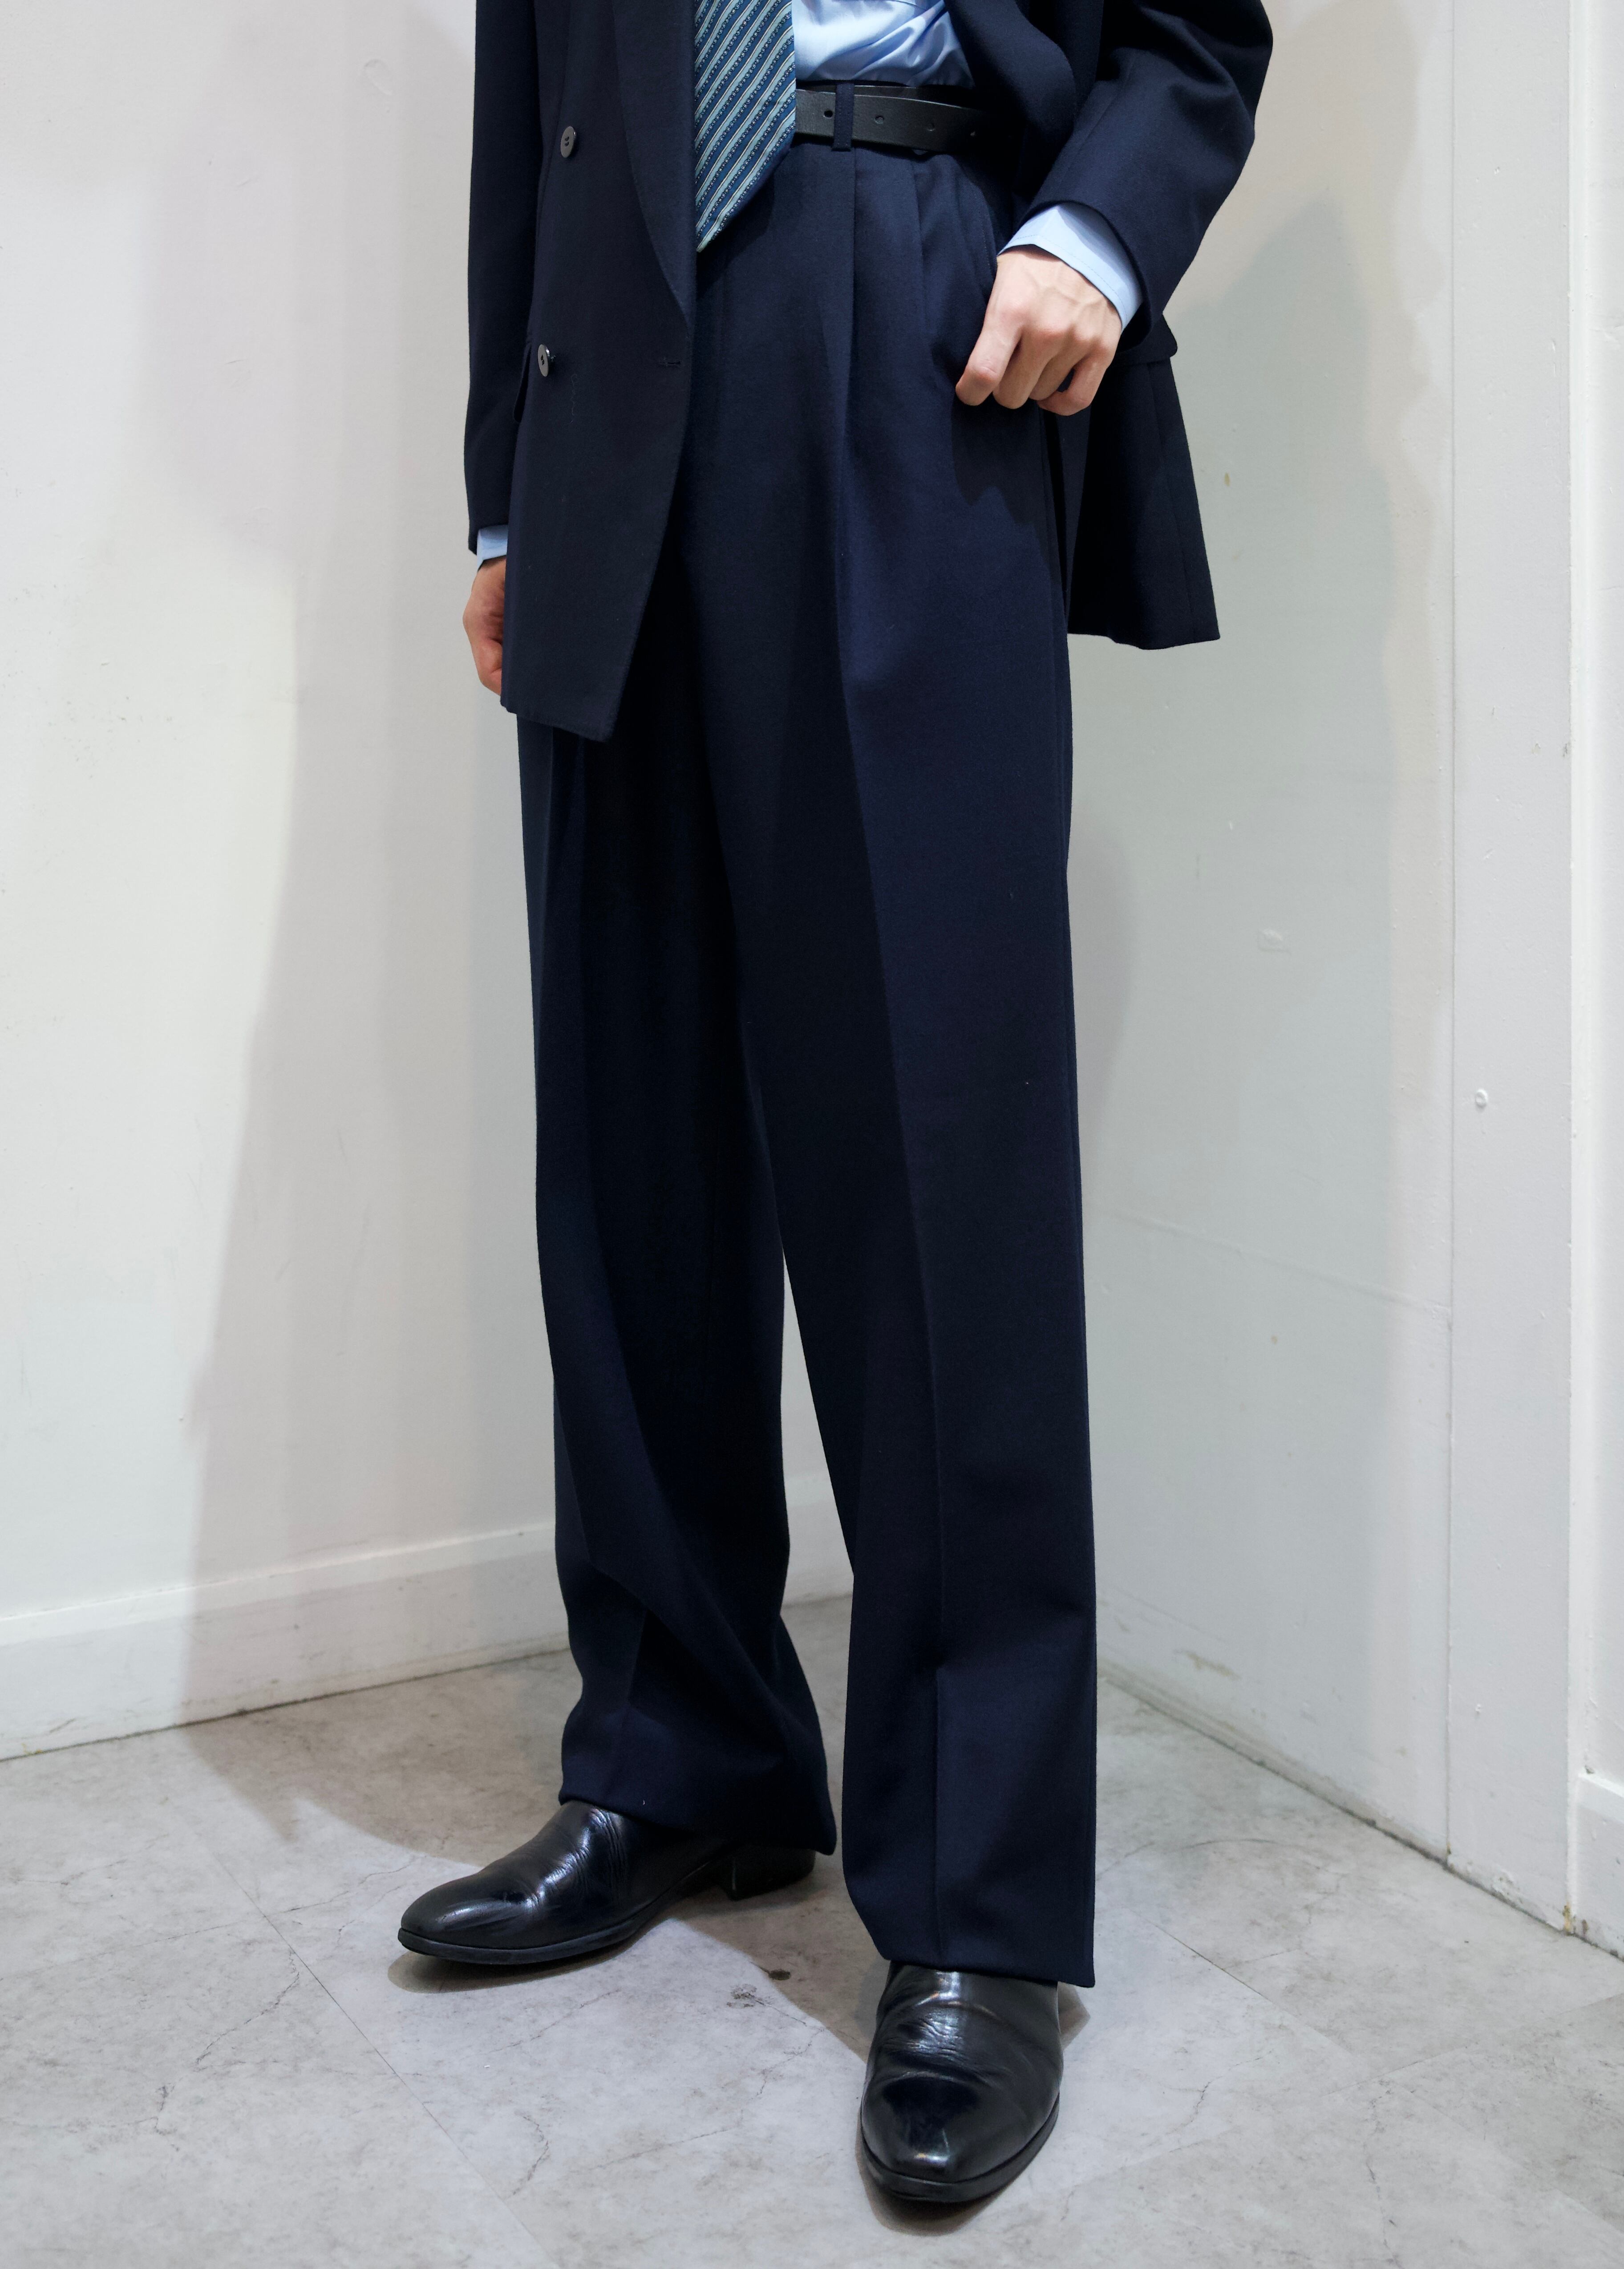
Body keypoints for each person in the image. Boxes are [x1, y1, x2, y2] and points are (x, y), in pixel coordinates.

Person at [400, 0, 1270, 2206]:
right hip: (614, 366)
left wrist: (1093, 235)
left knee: (931, 1147)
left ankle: (980, 1901)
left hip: (909, 290)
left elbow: (1194, 33)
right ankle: (678, 1752)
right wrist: (504, 489)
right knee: (630, 1130)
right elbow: (532, 97)